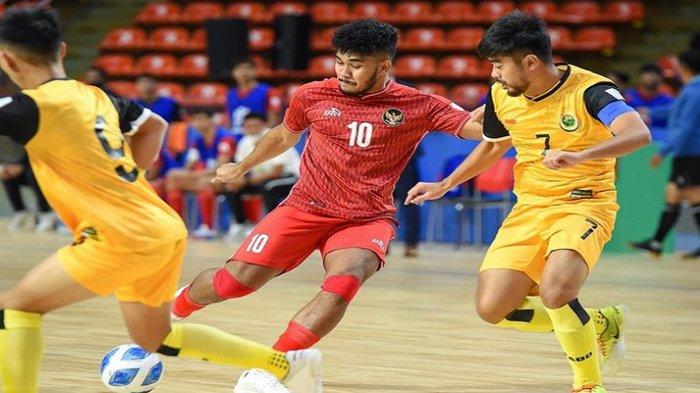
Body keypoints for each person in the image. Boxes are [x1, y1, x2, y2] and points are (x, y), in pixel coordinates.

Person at [0, 8, 319, 393]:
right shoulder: (94, 96)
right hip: (160, 228)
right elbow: (154, 125)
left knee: (15, 309)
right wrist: (130, 177)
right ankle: (285, 366)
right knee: (157, 339)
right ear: (63, 50)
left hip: (118, 237)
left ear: (7, 60)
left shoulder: (29, 108)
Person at [171, 18, 484, 381]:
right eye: (339, 61)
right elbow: (283, 136)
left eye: (356, 64)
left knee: (345, 280)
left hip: (366, 218)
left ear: (383, 66)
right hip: (305, 206)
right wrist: (242, 166)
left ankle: (274, 367)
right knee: (235, 283)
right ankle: (174, 309)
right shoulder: (312, 94)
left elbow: (480, 131)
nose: (344, 71)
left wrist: (505, 112)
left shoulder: (419, 104)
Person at [405, 12, 651, 393]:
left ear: (530, 62)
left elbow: (637, 133)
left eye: (499, 65)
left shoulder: (592, 91)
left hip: (584, 203)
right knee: (493, 309)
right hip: (530, 207)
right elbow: (494, 146)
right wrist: (446, 183)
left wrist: (582, 156)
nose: (494, 75)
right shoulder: (503, 95)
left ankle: (588, 385)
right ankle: (599, 323)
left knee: (556, 292)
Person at [630, 49, 700, 260]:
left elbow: (687, 126)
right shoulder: (691, 89)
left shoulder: (694, 91)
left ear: (685, 67)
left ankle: (656, 242)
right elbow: (674, 110)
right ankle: (656, 242)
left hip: (691, 153)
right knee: (676, 194)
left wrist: (664, 150)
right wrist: (649, 112)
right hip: (688, 152)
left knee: (684, 194)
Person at [224, 112, 300, 239]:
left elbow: (278, 170)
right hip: (260, 179)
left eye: (255, 126)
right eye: (248, 126)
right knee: (232, 187)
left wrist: (250, 179)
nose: (252, 129)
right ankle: (241, 223)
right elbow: (240, 166)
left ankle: (271, 226)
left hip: (290, 177)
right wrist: (239, 179)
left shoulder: (274, 138)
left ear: (264, 125)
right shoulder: (245, 142)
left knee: (269, 187)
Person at [165, 109, 236, 238]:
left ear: (210, 120)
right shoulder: (197, 140)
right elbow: (190, 164)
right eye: (194, 120)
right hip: (203, 176)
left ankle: (208, 227)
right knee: (172, 178)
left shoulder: (225, 138)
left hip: (228, 178)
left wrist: (193, 176)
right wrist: (183, 174)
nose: (196, 124)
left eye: (200, 119)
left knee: (205, 183)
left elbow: (221, 168)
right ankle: (177, 226)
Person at [0, 137, 55, 232]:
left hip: (35, 169)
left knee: (32, 173)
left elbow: (35, 149)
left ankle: (46, 213)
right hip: (11, 167)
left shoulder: (19, 128)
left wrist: (22, 165)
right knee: (5, 174)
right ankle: (21, 212)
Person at [226, 57, 281, 134]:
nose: (244, 72)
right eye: (240, 68)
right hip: (236, 135)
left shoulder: (268, 91)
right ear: (233, 72)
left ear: (255, 71)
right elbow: (229, 120)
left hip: (259, 135)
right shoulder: (230, 94)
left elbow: (274, 120)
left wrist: (264, 137)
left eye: (248, 68)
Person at [626, 63, 675, 130]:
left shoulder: (668, 101)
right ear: (639, 77)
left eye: (654, 73)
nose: (650, 77)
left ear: (661, 79)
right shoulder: (628, 97)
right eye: (647, 72)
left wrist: (650, 112)